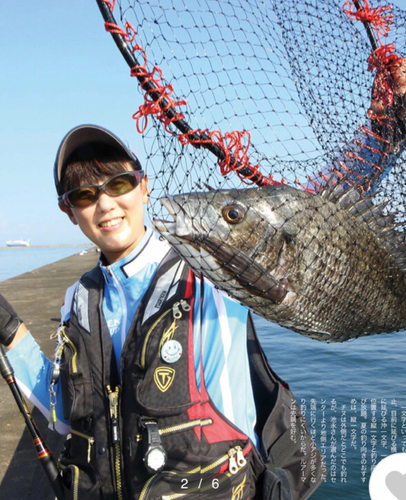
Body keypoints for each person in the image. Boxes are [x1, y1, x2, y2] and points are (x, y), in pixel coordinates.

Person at [0, 59, 405, 500]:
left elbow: (309, 214)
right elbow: (65, 412)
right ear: (69, 210)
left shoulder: (209, 274)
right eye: (84, 194)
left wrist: (387, 125)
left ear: (144, 186)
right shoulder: (79, 300)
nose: (105, 204)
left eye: (118, 184)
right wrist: (11, 333)